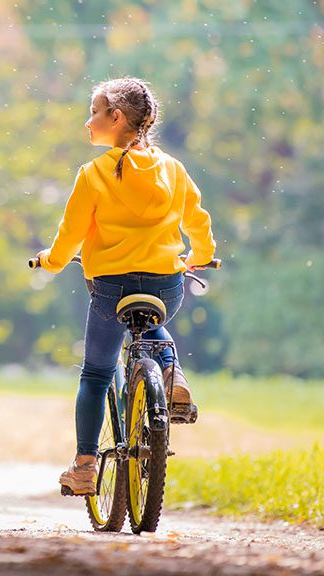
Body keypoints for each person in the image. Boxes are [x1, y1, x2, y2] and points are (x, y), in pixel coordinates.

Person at [35, 77, 215, 496]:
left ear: (116, 117)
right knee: (151, 323)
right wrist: (201, 254)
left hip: (111, 287)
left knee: (96, 373)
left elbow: (70, 237)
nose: (88, 121)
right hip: (166, 284)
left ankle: (83, 466)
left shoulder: (93, 173)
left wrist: (52, 261)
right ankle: (172, 374)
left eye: (94, 112)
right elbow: (198, 221)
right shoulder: (172, 168)